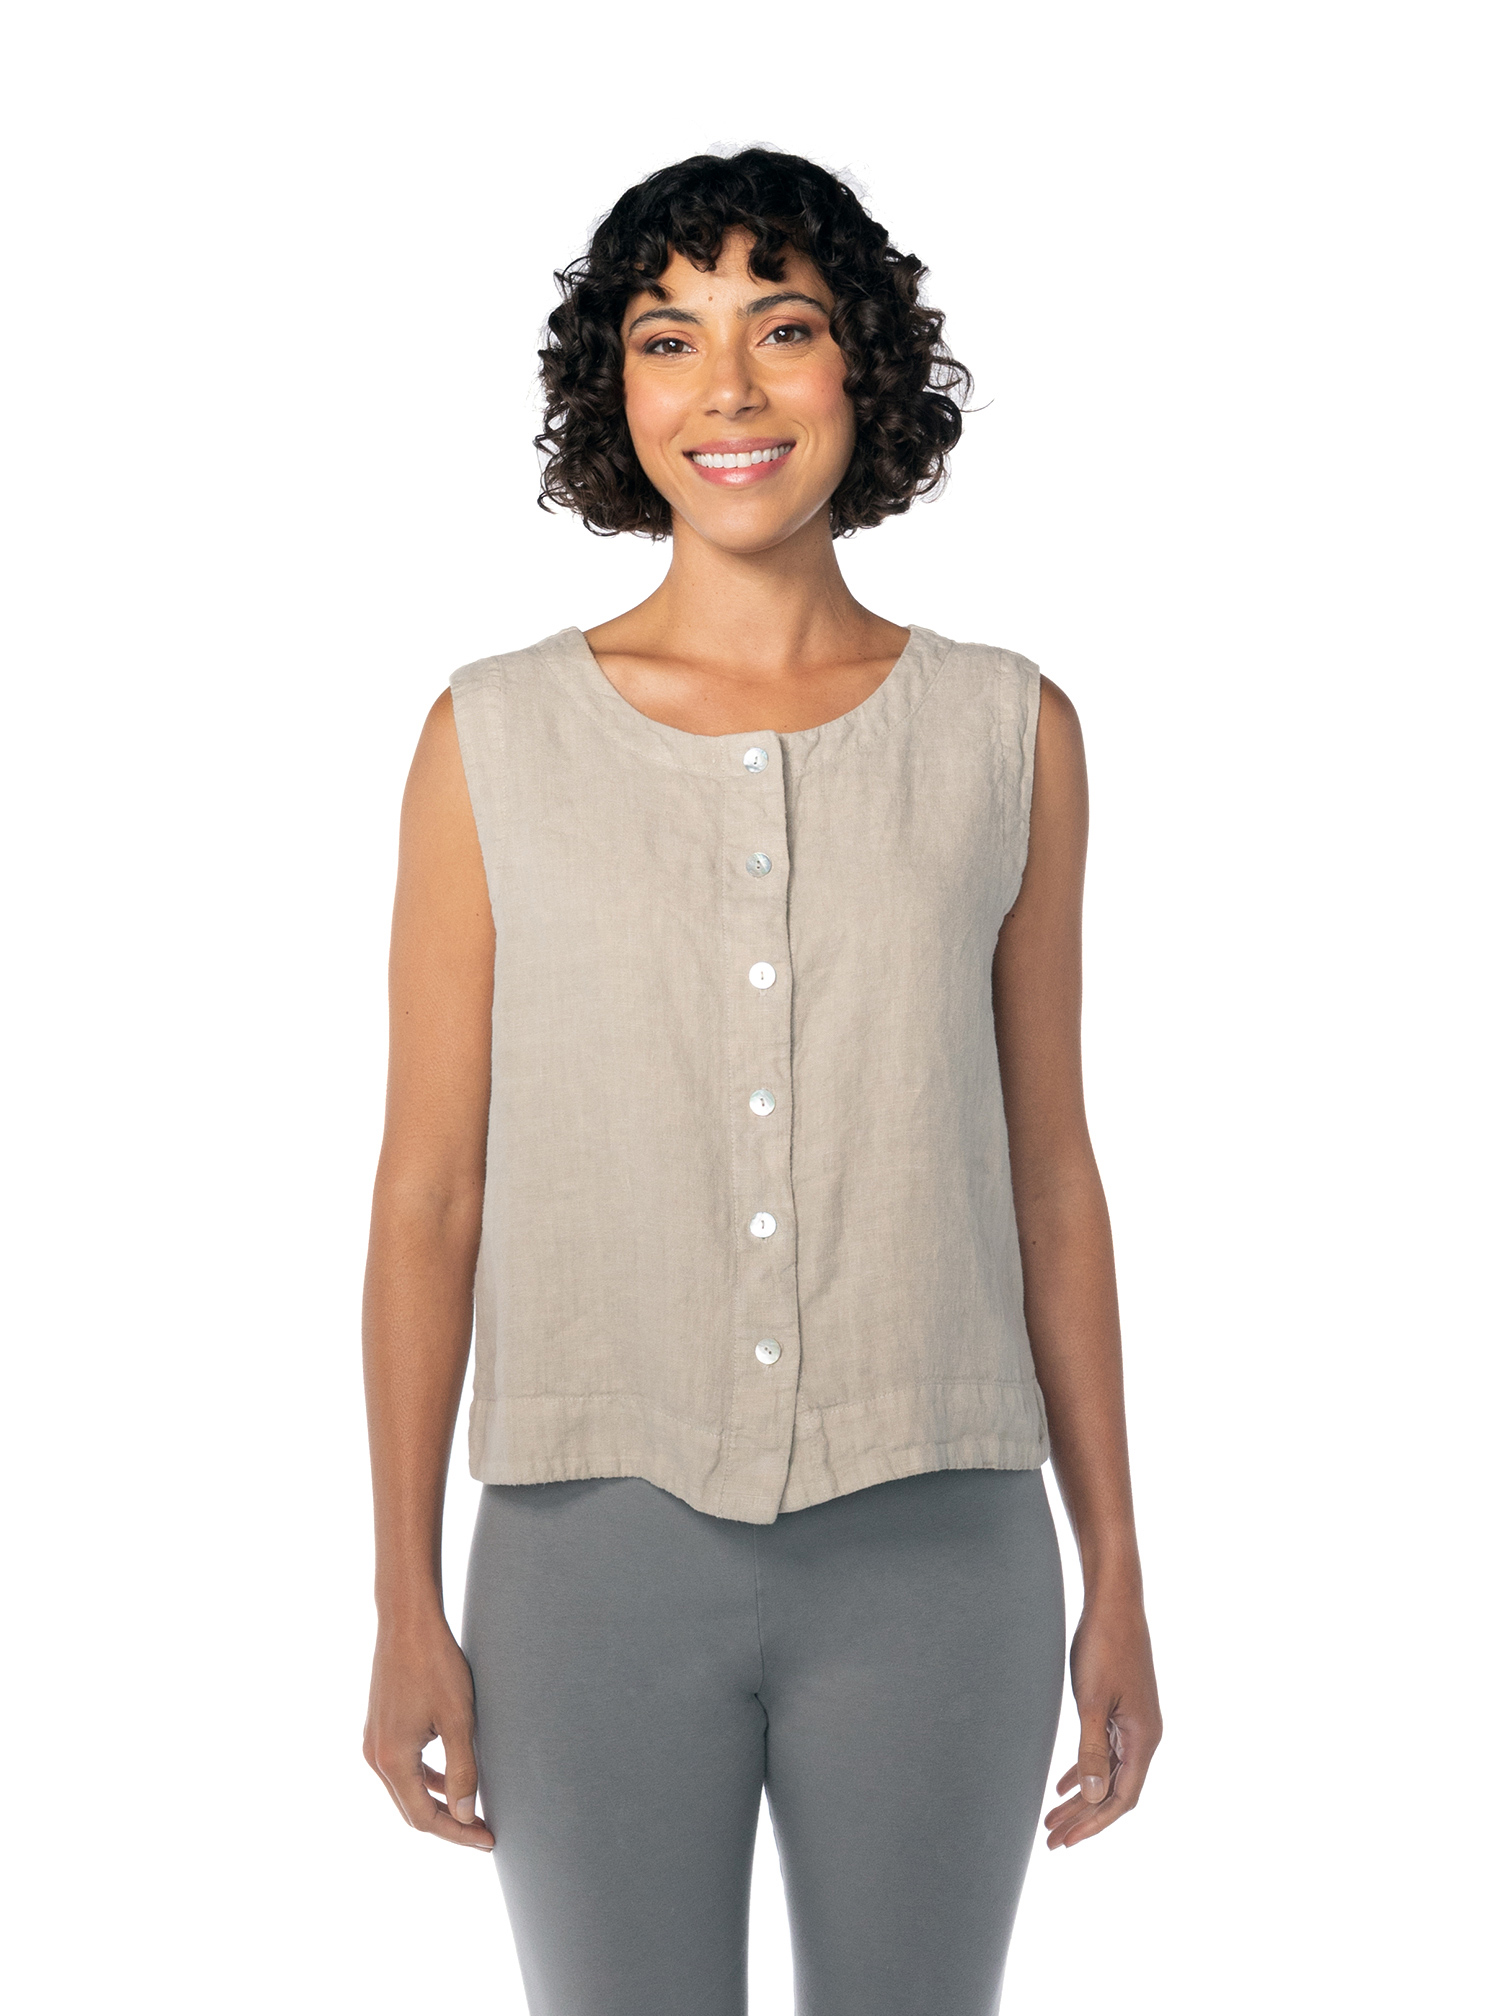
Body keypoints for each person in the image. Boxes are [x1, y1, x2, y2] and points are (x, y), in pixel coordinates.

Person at [361, 147, 1161, 2015]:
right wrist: (404, 1595)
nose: (726, 389)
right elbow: (429, 1194)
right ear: (615, 391)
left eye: (781, 329)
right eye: (669, 339)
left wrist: (1117, 1566)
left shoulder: (1008, 732)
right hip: (586, 1558)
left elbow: (1051, 1175)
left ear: (862, 366)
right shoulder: (490, 738)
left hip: (944, 1546)